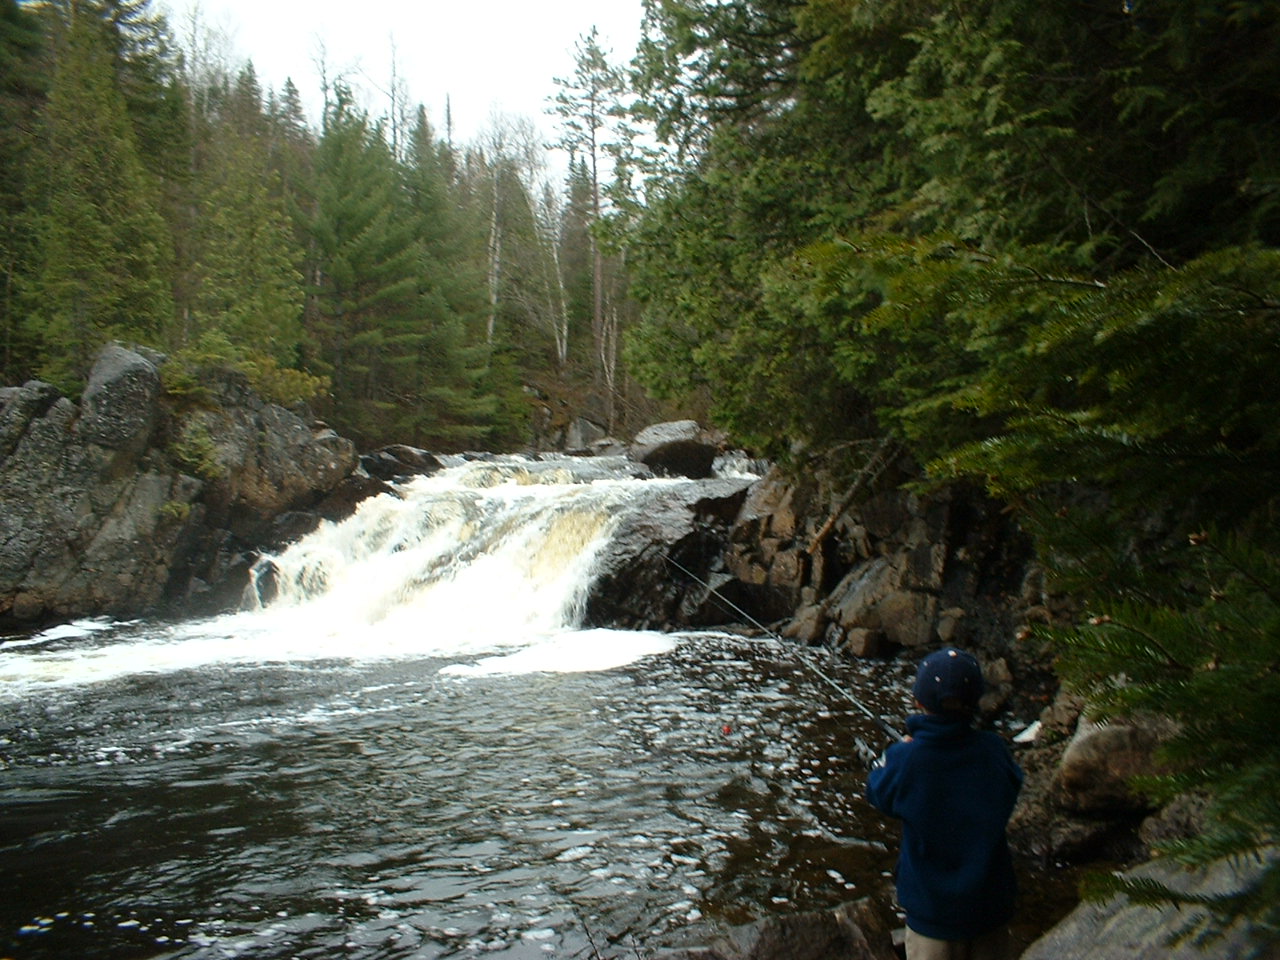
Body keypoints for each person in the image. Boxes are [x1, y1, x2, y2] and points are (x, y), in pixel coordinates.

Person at [866, 647, 1023, 960]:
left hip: (932, 917)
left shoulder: (906, 759)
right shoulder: (993, 750)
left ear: (918, 701)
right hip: (990, 910)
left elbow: (877, 792)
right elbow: (1012, 783)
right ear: (976, 701)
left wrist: (898, 754)